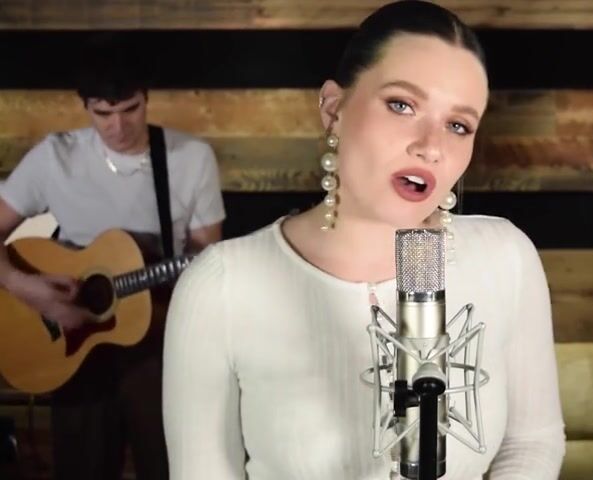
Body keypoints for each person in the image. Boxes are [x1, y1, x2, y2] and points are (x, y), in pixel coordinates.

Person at [162, 1, 566, 479]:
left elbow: (531, 442)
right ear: (334, 108)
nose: (431, 147)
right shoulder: (221, 285)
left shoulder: (506, 257)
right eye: (402, 105)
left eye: (458, 125)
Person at [0, 35, 226, 480]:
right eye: (103, 113)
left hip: (159, 337)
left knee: (167, 465)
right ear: (85, 106)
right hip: (71, 340)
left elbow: (208, 259)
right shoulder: (54, 158)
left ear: (146, 98)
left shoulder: (190, 158)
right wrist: (24, 286)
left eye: (130, 109)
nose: (118, 127)